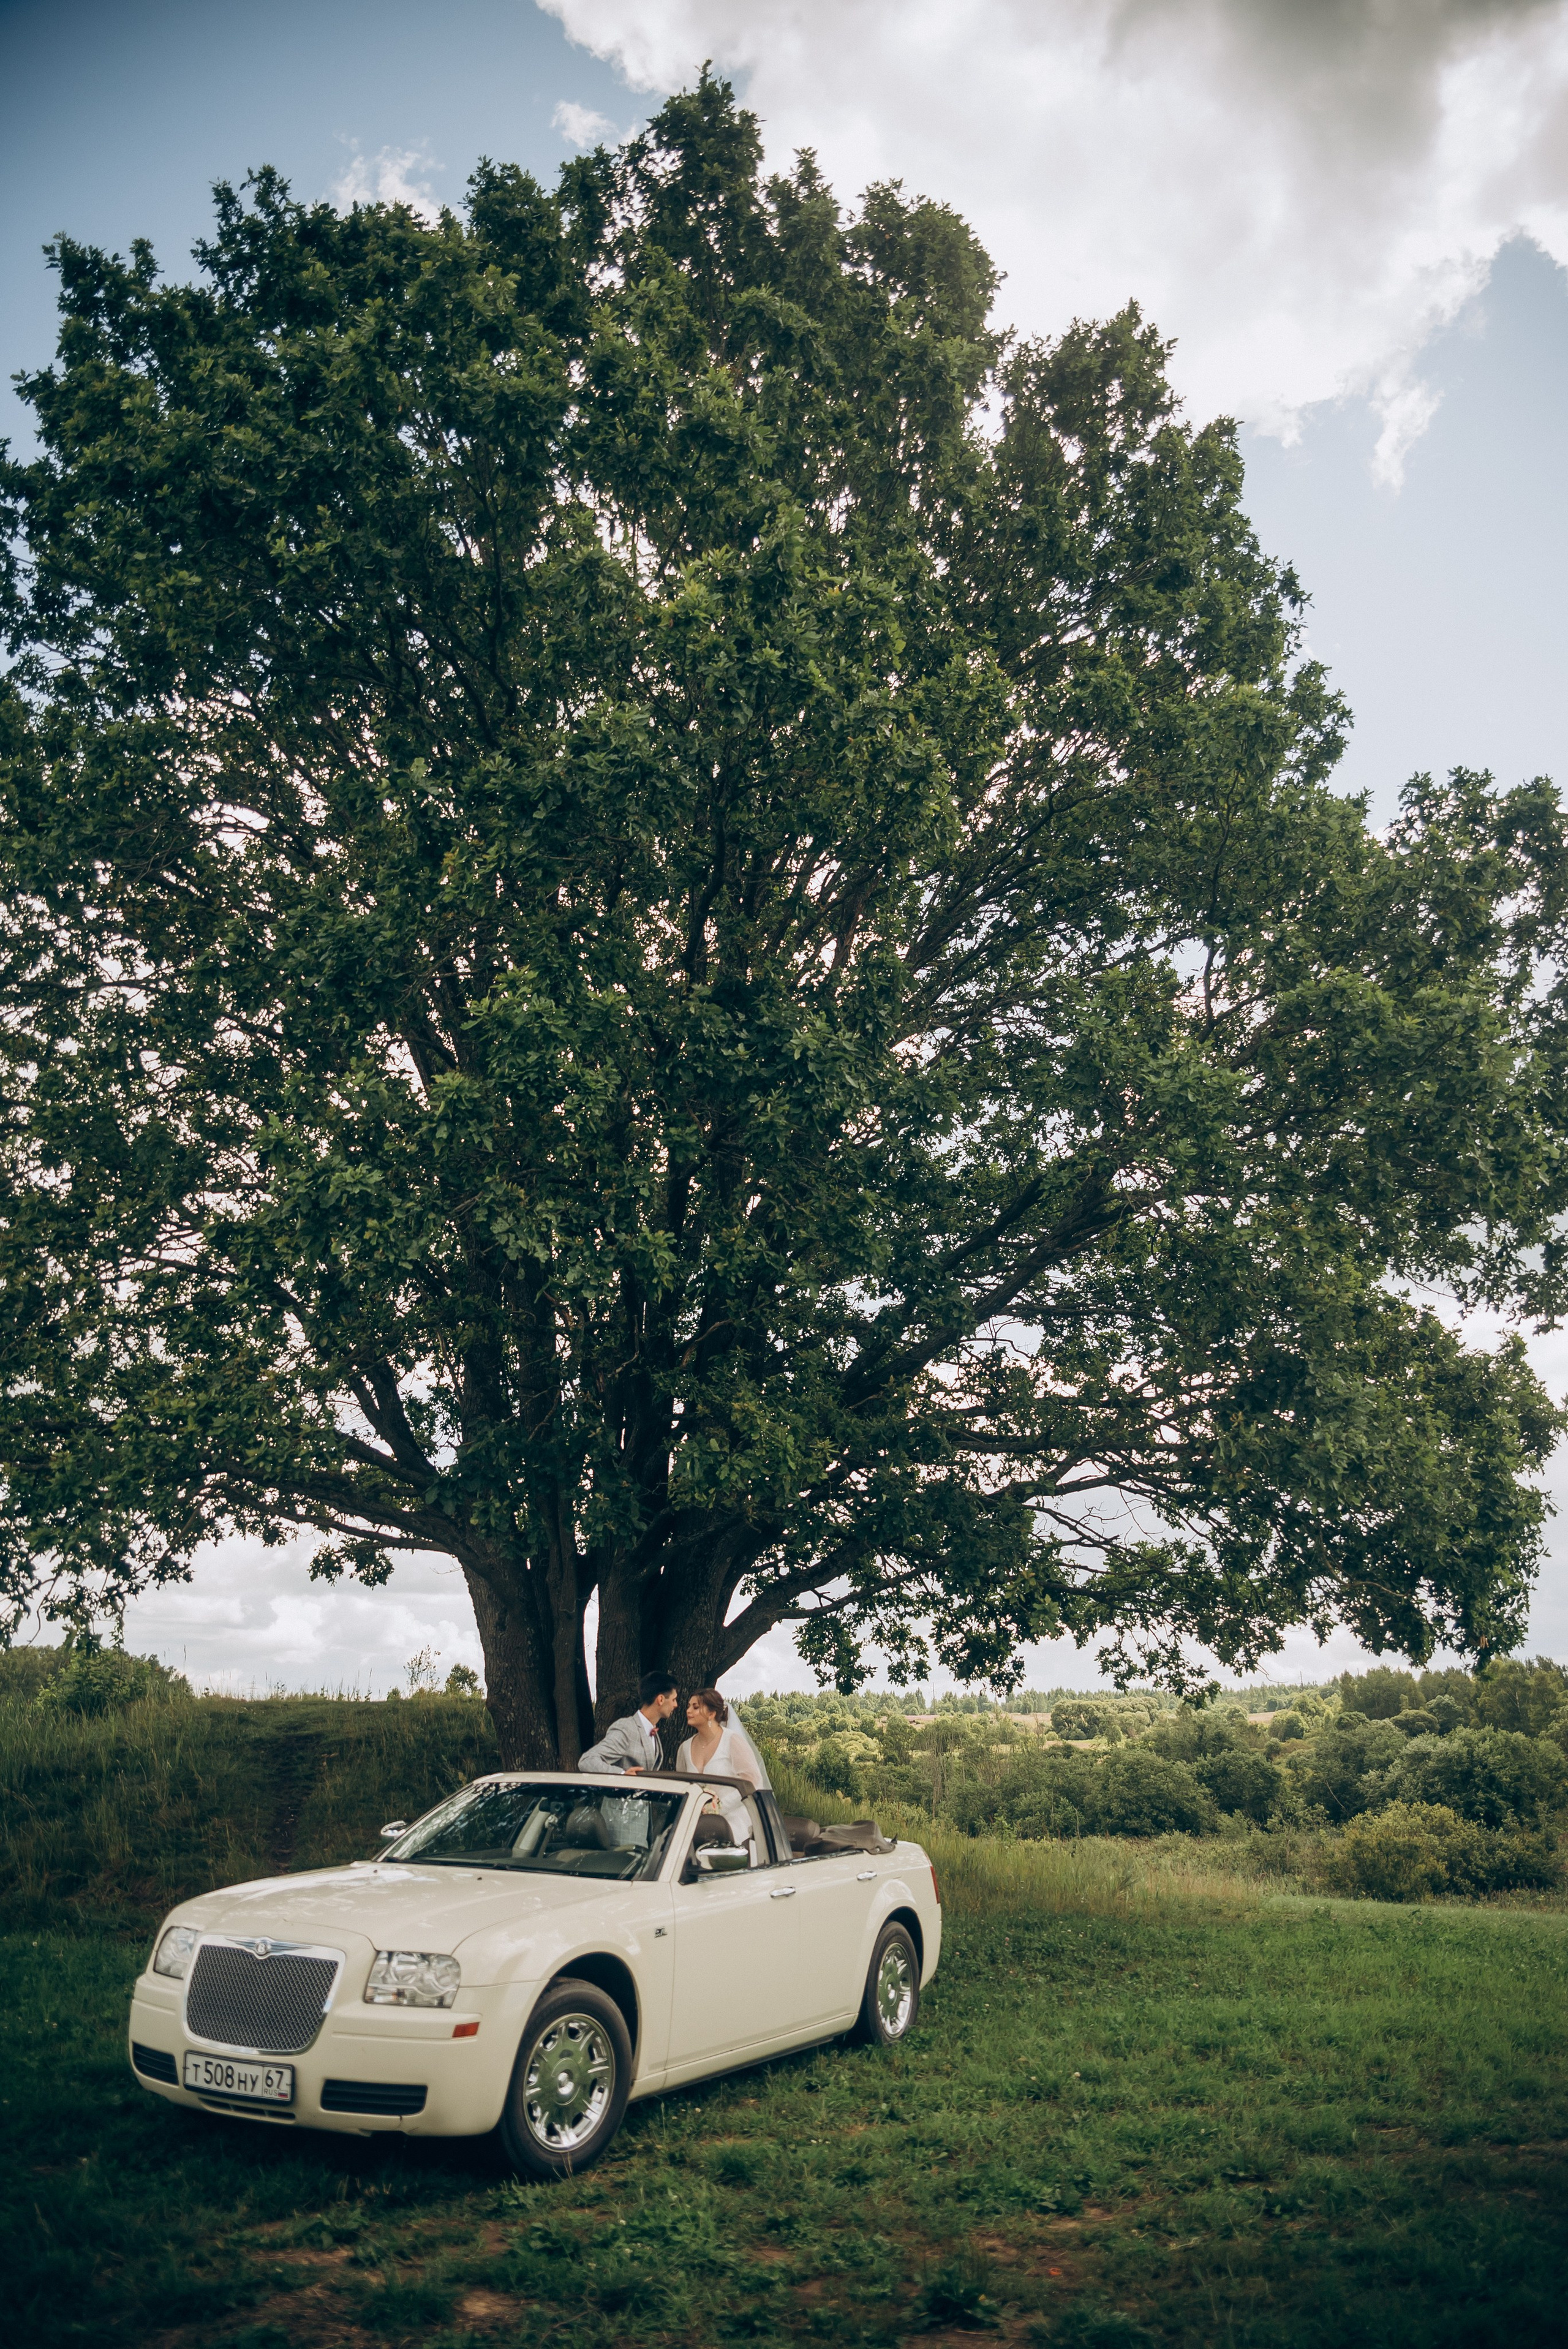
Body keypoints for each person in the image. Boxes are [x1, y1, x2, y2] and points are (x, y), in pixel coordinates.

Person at [676, 1687, 771, 1846]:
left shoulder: (732, 1741)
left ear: (711, 1714)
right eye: (688, 1706)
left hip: (736, 1825)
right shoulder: (685, 1748)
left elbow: (753, 1781)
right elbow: (682, 1785)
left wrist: (718, 1807)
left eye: (695, 1707)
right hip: (696, 1825)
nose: (688, 1711)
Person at [577, 1670, 679, 1774]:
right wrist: (622, 1774)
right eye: (674, 1699)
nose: (676, 1705)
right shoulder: (626, 1728)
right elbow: (587, 1761)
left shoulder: (652, 1731)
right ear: (661, 1699)